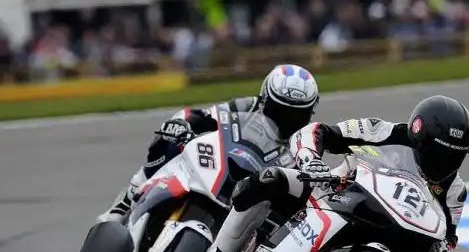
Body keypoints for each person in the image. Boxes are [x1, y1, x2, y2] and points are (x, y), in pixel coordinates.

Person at [192, 94, 469, 252]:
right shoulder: (381, 131)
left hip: (395, 234)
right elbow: (319, 132)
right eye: (438, 152)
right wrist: (311, 159)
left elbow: (447, 239)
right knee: (268, 180)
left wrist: (442, 249)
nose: (443, 162)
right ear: (418, 135)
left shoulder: (455, 190)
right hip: (335, 193)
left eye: (454, 157)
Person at [96, 64, 320, 223]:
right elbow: (201, 116)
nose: (286, 121)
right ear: (264, 99)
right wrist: (180, 125)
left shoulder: (305, 142)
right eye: (280, 111)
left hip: (249, 205)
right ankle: (127, 199)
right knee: (169, 141)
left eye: (296, 115)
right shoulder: (248, 106)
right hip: (220, 167)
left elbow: (305, 190)